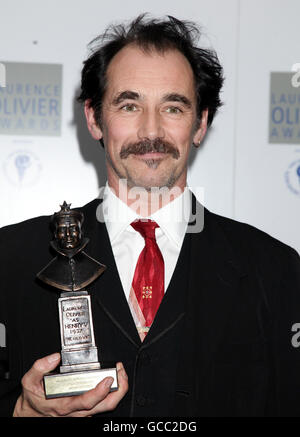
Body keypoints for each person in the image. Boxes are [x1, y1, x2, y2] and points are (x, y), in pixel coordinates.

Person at [0, 13, 300, 417]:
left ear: (201, 123)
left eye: (173, 108)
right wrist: (21, 410)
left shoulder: (276, 270)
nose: (151, 131)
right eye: (129, 105)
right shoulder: (12, 258)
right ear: (94, 118)